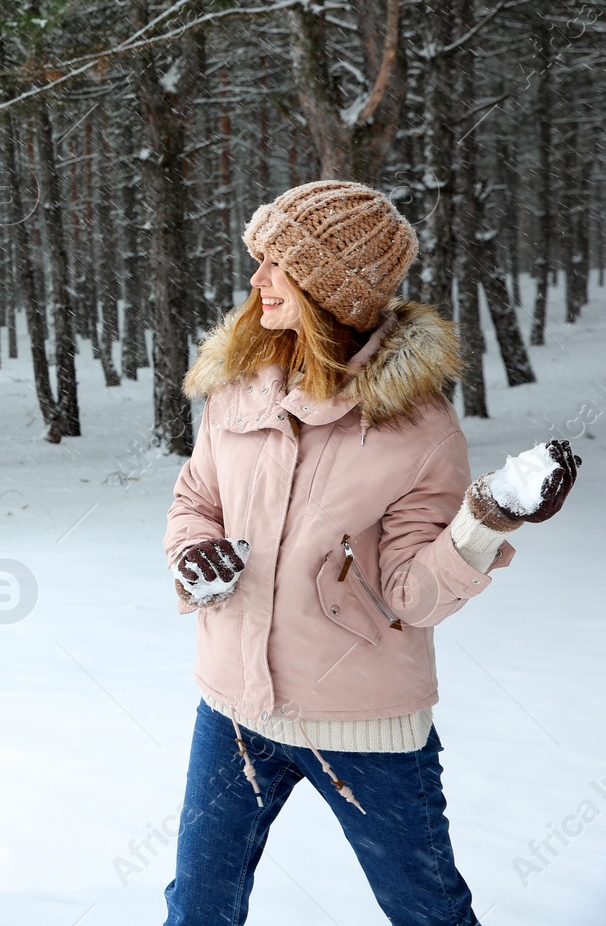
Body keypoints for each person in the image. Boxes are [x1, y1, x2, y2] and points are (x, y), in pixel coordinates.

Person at [161, 181, 581, 925]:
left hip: (364, 728)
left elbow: (410, 593)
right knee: (196, 908)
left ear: (328, 286)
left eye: (275, 264)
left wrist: (482, 524)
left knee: (429, 912)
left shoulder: (417, 426)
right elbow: (196, 496)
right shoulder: (239, 384)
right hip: (231, 710)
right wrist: (194, 552)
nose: (256, 279)